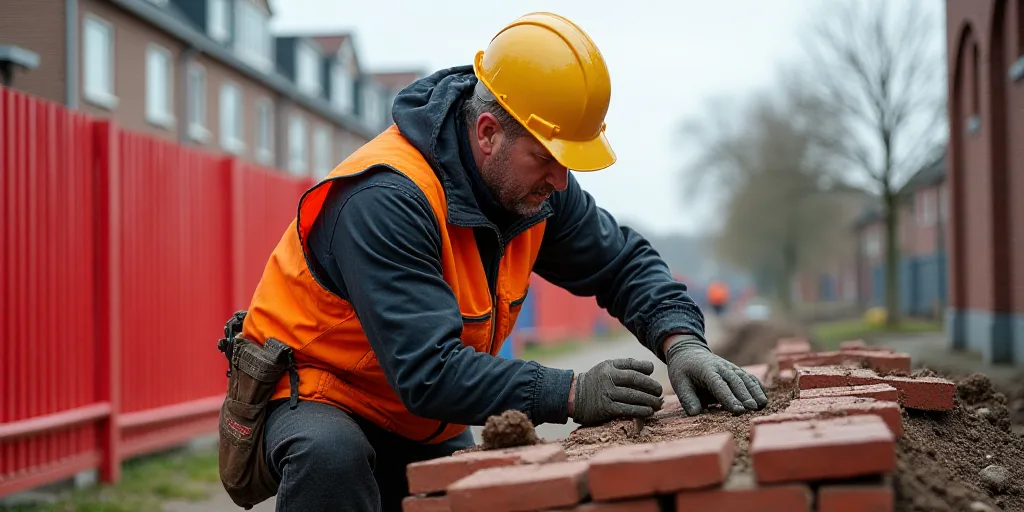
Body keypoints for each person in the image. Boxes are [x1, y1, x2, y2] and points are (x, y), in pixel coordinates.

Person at [236, 12, 767, 512]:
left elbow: (623, 262)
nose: (561, 182)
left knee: (475, 488)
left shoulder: (533, 187)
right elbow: (428, 371)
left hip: (420, 416)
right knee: (334, 458)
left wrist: (682, 342)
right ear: (488, 132)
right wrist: (573, 392)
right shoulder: (386, 199)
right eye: (546, 158)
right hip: (321, 393)